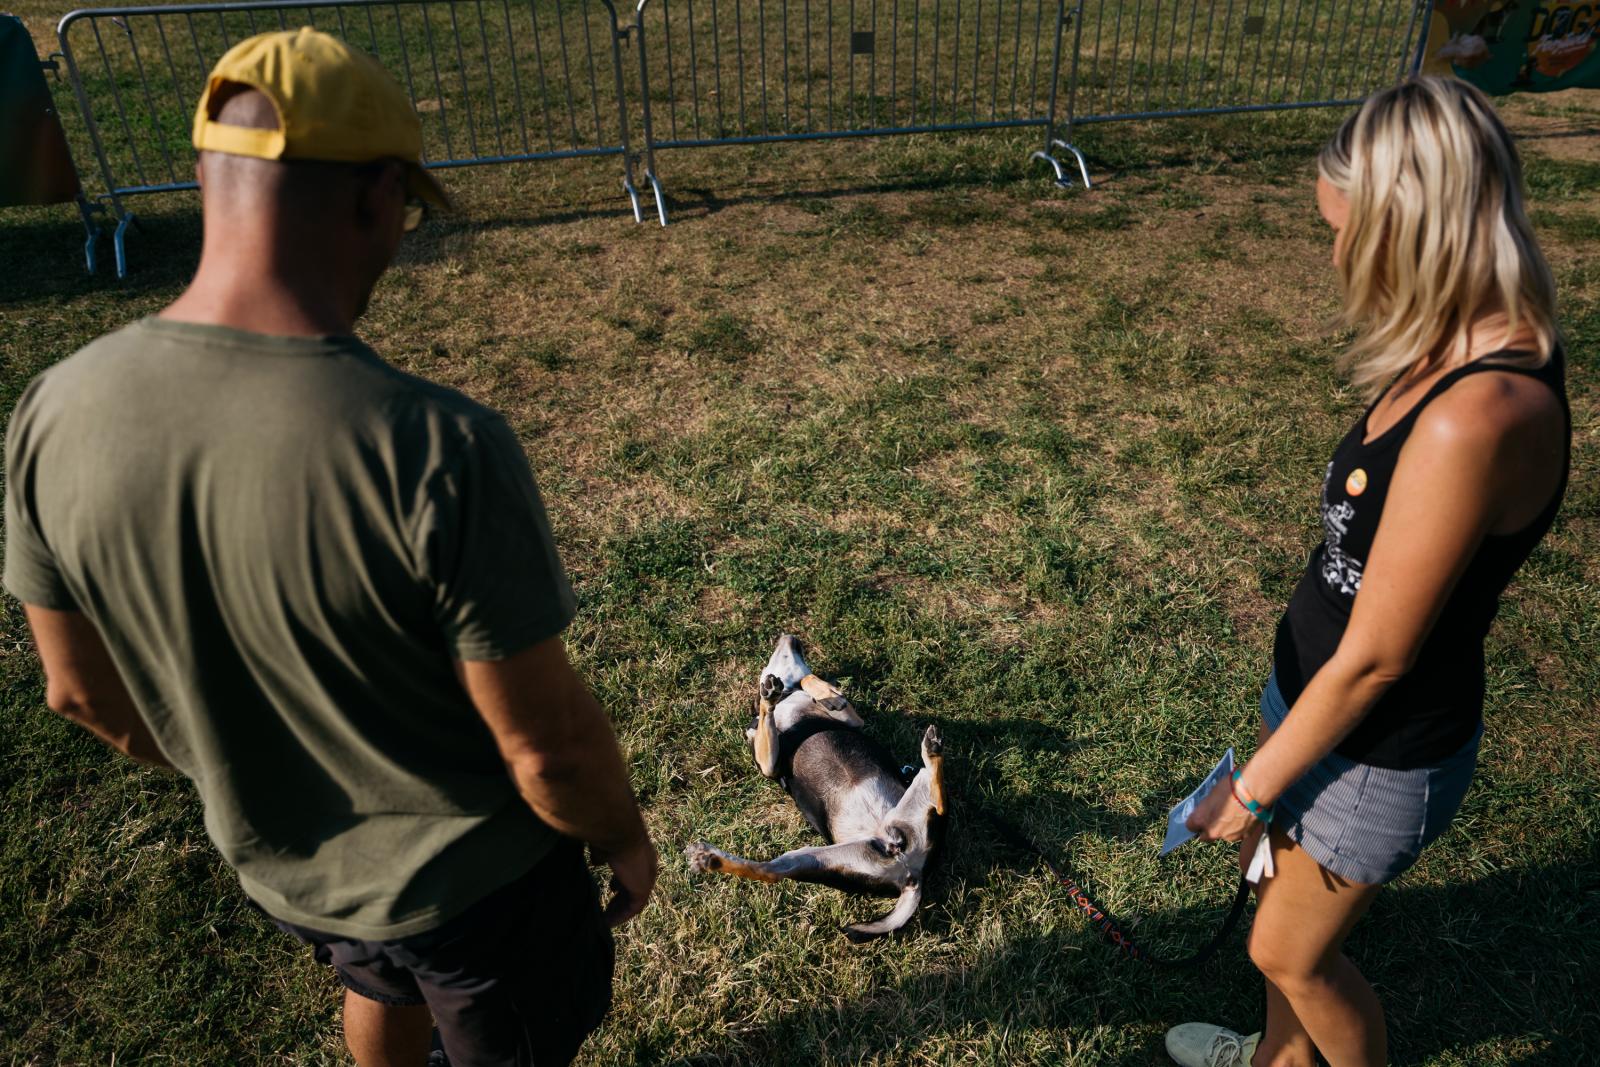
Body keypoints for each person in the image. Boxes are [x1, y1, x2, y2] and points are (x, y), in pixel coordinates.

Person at [3, 28, 656, 1067]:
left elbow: (77, 691)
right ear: (378, 196)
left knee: (377, 975)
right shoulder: (440, 447)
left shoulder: (53, 407)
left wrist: (246, 773)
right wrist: (620, 833)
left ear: (207, 180)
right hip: (480, 892)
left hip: (290, 876)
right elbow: (549, 751)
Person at [1168, 77, 1570, 1067]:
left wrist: (1252, 788)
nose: (1337, 255)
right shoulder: (1456, 342)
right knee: (1276, 904)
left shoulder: (1476, 414)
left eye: (1346, 233)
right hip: (1318, 702)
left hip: (1376, 747)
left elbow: (1381, 654)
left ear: (1413, 231)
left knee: (1291, 953)